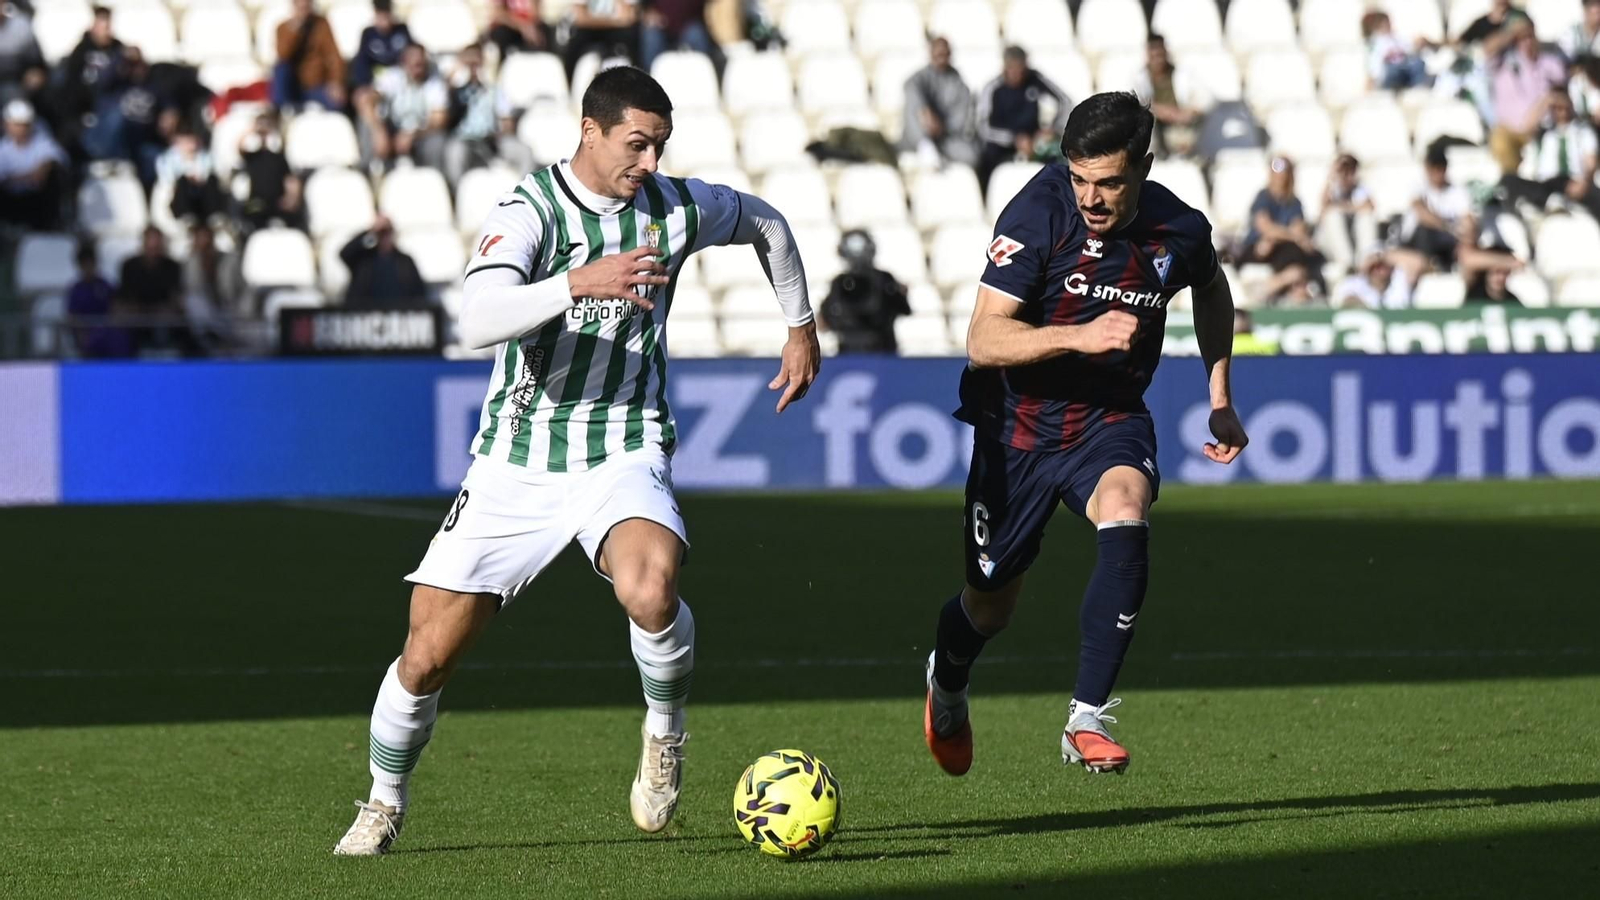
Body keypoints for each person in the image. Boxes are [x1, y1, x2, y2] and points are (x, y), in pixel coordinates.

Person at [332, 65, 820, 856]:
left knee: (651, 586)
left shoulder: (676, 207)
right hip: (517, 458)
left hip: (624, 445)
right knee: (424, 657)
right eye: (638, 143)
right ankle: (385, 799)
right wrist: (576, 282)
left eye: (661, 145)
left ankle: (665, 733)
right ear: (589, 131)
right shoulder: (530, 210)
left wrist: (799, 324)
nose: (651, 163)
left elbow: (766, 222)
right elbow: (475, 317)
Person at [922, 91, 1247, 779]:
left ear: (1145, 168)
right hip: (1016, 431)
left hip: (1110, 418)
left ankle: (1086, 717)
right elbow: (984, 338)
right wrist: (1079, 335)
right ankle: (947, 681)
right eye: (1079, 179)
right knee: (989, 604)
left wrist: (1220, 394)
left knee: (1128, 507)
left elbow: (1212, 289)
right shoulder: (1036, 213)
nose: (1091, 198)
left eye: (1108, 182)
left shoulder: (1178, 229)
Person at [975, 46, 1071, 193]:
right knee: (986, 158)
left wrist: (1053, 128)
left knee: (1063, 154)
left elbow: (1065, 101)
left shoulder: (1035, 79)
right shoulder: (993, 88)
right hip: (1002, 145)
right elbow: (983, 127)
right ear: (1005, 67)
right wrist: (1014, 139)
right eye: (1013, 68)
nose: (1017, 74)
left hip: (1035, 142)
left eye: (1021, 69)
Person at [442, 42, 536, 188]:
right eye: (469, 63)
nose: (473, 67)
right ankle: (459, 195)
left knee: (525, 152)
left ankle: (525, 196)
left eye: (476, 62)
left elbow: (507, 123)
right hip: (464, 141)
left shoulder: (495, 90)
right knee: (454, 152)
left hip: (492, 141)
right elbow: (440, 105)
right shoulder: (455, 93)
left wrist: (500, 132)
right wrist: (457, 71)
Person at [1499, 88, 1600, 221]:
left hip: (1570, 182)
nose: (1560, 110)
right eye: (1556, 107)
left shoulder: (1583, 131)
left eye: (1562, 106)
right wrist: (1546, 101)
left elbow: (1591, 161)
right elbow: (1526, 127)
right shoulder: (1545, 132)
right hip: (1544, 185)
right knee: (1508, 181)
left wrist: (1585, 181)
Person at [1487, 19, 1568, 174]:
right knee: (1499, 141)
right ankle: (1511, 183)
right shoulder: (1504, 61)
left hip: (1543, 129)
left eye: (1530, 36)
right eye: (1522, 38)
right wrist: (1511, 32)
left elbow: (1561, 91)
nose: (1527, 42)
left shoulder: (1550, 62)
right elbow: (1488, 49)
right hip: (1511, 130)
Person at [1239, 156, 1324, 292]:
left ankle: (1278, 284)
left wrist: (1281, 234)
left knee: (1298, 252)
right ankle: (1286, 280)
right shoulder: (1263, 197)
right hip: (1259, 248)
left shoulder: (1294, 202)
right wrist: (1291, 235)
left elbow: (1298, 228)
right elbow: (1265, 228)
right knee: (1267, 245)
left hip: (1283, 249)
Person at [358, 43, 449, 171]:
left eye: (420, 64)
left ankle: (434, 177)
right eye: (413, 64)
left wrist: (413, 134)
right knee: (366, 123)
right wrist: (379, 132)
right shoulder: (391, 77)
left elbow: (439, 120)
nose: (417, 69)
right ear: (404, 63)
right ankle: (367, 172)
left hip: (420, 133)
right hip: (390, 130)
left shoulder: (435, 82)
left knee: (437, 140)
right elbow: (365, 100)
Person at [819, 229, 910, 353]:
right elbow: (824, 322)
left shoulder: (883, 280)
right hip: (848, 351)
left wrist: (897, 294)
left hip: (882, 349)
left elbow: (904, 309)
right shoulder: (840, 283)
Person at [900, 37, 979, 169]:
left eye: (944, 54)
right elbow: (911, 92)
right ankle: (924, 146)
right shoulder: (917, 79)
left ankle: (935, 155)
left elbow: (961, 119)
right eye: (938, 54)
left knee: (972, 156)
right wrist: (925, 112)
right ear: (931, 54)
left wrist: (941, 127)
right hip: (919, 136)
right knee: (913, 103)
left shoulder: (959, 84)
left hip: (946, 138)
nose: (941, 58)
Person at [1397, 148, 1472, 276]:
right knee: (1425, 230)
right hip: (1415, 243)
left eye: (1441, 167)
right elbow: (1422, 214)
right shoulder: (1418, 186)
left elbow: (1467, 220)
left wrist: (1465, 232)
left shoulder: (1457, 191)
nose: (1438, 172)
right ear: (1427, 168)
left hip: (1445, 241)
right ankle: (1429, 264)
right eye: (1434, 167)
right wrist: (1450, 227)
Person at [1132, 35, 1207, 158]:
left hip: (1184, 125)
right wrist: (1162, 111)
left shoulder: (1183, 74)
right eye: (1154, 56)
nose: (1158, 60)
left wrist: (1189, 112)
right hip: (1157, 129)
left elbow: (1206, 99)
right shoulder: (1138, 78)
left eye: (1160, 55)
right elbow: (1135, 101)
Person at [0, 99, 67, 229]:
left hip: (37, 201)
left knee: (54, 178)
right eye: (16, 124)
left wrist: (43, 168)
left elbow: (57, 158)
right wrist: (28, 177)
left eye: (24, 124)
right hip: (9, 202)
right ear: (6, 125)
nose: (20, 128)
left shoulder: (41, 142)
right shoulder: (2, 148)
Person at [272, 0, 348, 111]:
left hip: (316, 86)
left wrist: (336, 82)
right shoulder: (283, 28)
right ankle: (280, 111)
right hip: (293, 88)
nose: (304, 7)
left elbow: (334, 56)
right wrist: (295, 28)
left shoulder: (321, 25)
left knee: (337, 102)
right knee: (280, 68)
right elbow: (283, 55)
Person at [339, 215, 428, 309]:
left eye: (388, 231)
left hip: (398, 315)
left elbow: (419, 292)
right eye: (381, 233)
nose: (385, 236)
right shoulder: (364, 260)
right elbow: (344, 253)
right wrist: (369, 231)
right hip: (367, 315)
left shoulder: (405, 261)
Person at [238, 111, 305, 233]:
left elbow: (291, 179)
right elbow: (240, 147)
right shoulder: (252, 156)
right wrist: (252, 129)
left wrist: (291, 198)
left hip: (278, 202)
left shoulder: (279, 157)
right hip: (257, 202)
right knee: (252, 218)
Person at [65, 239, 134, 358]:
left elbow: (116, 307)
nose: (88, 268)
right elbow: (72, 317)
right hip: (88, 333)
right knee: (93, 340)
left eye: (90, 263)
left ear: (95, 263)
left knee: (121, 337)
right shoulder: (76, 290)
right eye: (84, 264)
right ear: (80, 266)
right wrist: (81, 333)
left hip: (108, 329)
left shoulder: (105, 285)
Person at [157, 128, 227, 226]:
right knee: (182, 181)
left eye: (192, 141)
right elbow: (167, 182)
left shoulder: (206, 157)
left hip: (202, 197)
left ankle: (214, 215)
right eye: (186, 142)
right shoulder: (167, 159)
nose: (190, 146)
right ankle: (185, 216)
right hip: (181, 199)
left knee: (212, 179)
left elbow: (215, 174)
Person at [639, 0, 724, 77]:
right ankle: (648, 79)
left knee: (696, 33)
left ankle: (711, 76)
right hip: (661, 27)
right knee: (651, 36)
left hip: (688, 24)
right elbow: (643, 7)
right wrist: (648, 13)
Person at [562, 0, 641, 80]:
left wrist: (596, 20)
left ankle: (639, 79)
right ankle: (568, 82)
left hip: (614, 30)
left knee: (633, 37)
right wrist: (614, 22)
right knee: (574, 44)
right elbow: (580, 19)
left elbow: (629, 17)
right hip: (590, 29)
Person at [350, 0, 412, 95]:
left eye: (387, 16)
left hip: (402, 81)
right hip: (376, 83)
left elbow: (412, 53)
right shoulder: (368, 34)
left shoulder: (402, 30)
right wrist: (364, 84)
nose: (384, 22)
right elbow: (362, 60)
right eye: (381, 17)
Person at [1362, 10, 1432, 90]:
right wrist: (1372, 79)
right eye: (1384, 23)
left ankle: (1419, 88)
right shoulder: (1375, 42)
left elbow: (1410, 48)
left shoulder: (1397, 38)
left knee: (1418, 63)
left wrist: (1418, 44)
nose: (1387, 25)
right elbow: (1374, 63)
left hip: (1404, 68)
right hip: (1390, 73)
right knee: (1394, 71)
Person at [1332, 246, 1413, 309]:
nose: (1379, 269)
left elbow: (1419, 264)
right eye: (1374, 266)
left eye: (1383, 265)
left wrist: (1384, 257)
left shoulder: (1399, 279)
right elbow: (1348, 301)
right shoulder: (1353, 282)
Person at [487, 0, 553, 58]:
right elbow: (499, 14)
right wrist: (522, 26)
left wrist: (532, 27)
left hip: (529, 25)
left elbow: (536, 12)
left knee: (547, 32)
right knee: (501, 34)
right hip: (509, 26)